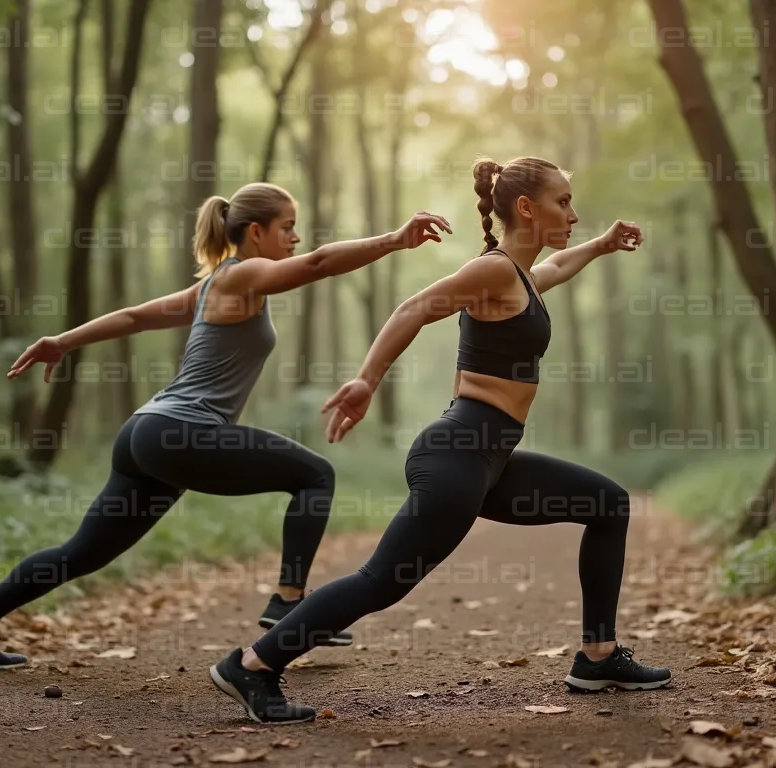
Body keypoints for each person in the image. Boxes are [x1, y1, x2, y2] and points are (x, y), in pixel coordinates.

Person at [209, 158, 671, 724]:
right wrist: (366, 380)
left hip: (490, 459)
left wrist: (600, 245)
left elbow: (557, 267)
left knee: (606, 505)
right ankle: (253, 666)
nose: (573, 214)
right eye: (564, 202)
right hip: (459, 453)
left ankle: (598, 656)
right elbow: (414, 307)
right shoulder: (495, 271)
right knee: (381, 581)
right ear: (527, 208)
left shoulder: (519, 277)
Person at [0, 182, 452, 670]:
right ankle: (288, 601)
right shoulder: (241, 274)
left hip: (146, 433)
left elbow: (134, 317)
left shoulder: (211, 288)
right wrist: (392, 239)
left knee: (82, 551)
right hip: (181, 431)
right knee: (315, 475)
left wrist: (62, 342)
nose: (296, 237)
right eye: (287, 227)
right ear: (255, 233)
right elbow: (317, 264)